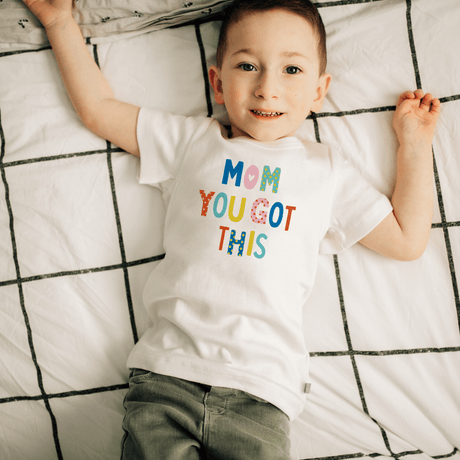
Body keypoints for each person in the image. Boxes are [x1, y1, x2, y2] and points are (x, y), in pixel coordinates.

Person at [22, 0, 441, 458]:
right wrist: (59, 22)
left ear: (319, 91)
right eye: (247, 66)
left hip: (261, 391)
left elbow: (407, 240)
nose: (267, 89)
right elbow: (100, 110)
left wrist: (414, 144)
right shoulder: (192, 143)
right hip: (168, 374)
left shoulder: (326, 171)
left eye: (292, 70)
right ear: (218, 83)